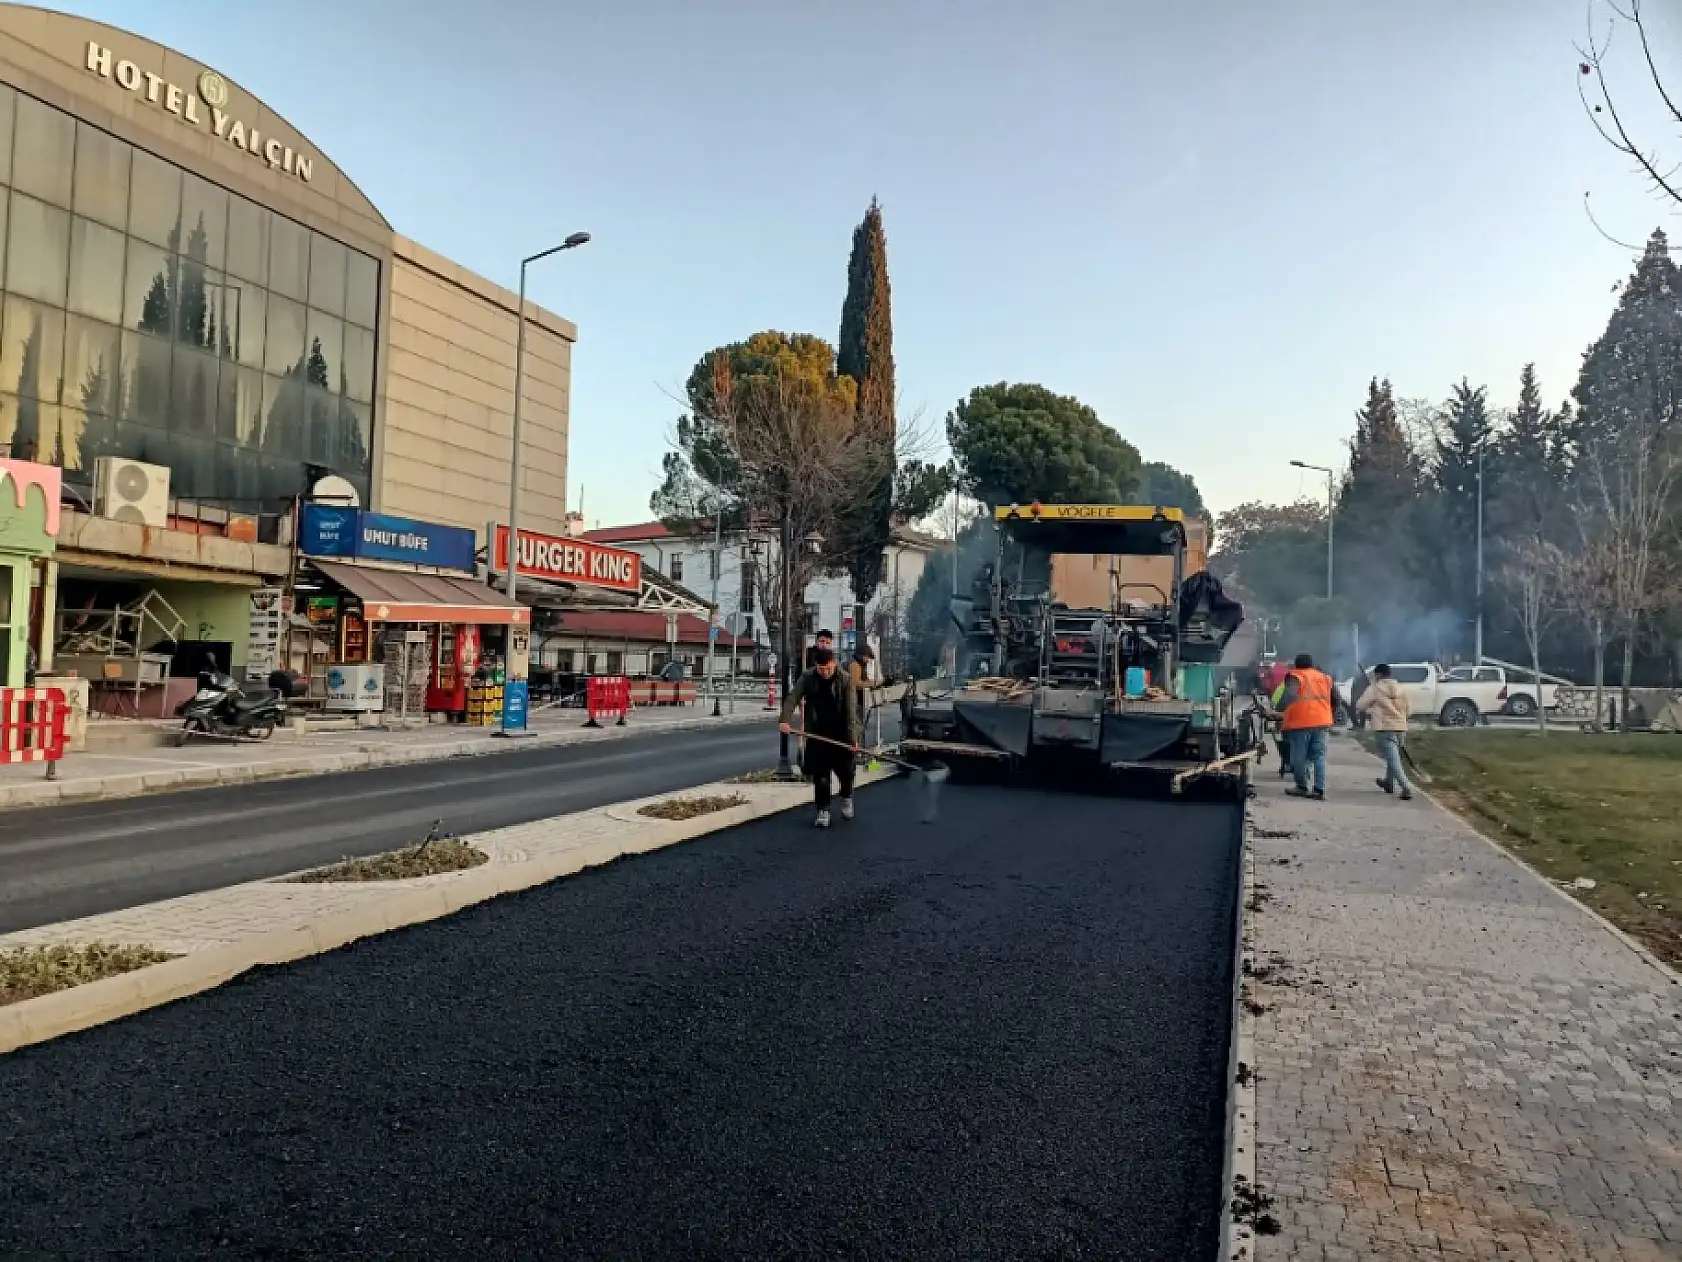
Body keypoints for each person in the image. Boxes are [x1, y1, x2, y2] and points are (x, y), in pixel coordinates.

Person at [779, 646, 860, 828]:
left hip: (841, 732)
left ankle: (846, 796)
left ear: (834, 664)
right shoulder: (808, 677)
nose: (824, 672)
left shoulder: (845, 680)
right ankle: (823, 810)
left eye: (828, 668)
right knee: (820, 775)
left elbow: (851, 712)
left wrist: (853, 739)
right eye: (821, 669)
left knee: (846, 772)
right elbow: (793, 697)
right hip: (817, 731)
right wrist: (784, 719)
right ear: (816, 666)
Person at [1277, 652, 1346, 800]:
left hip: (1301, 722)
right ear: (1312, 664)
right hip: (1322, 721)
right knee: (1319, 756)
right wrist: (1328, 712)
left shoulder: (1295, 677)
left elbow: (1287, 698)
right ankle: (1319, 789)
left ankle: (1301, 787)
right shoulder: (1325, 678)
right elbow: (1336, 699)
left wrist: (1276, 711)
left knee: (1299, 757)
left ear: (1296, 665)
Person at [1357, 662, 1413, 800]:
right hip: (1401, 728)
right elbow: (1409, 711)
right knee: (1393, 757)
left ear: (1378, 675)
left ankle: (1406, 787)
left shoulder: (1375, 688)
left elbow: (1360, 705)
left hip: (1384, 728)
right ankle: (1388, 782)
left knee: (1393, 760)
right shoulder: (1401, 688)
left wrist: (1372, 708)